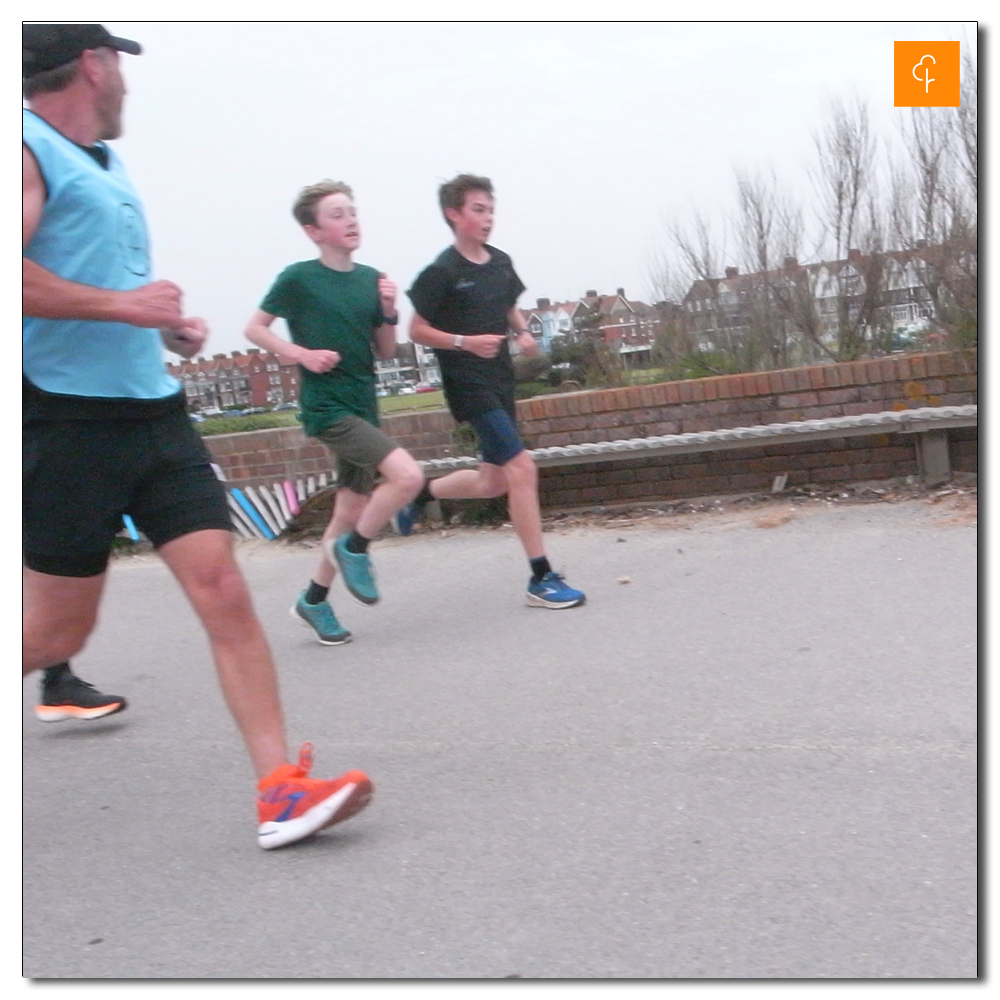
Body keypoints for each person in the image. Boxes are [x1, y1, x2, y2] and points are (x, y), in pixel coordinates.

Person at [23, 23, 372, 850]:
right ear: (91, 65)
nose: (128, 87)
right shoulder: (27, 149)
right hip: (68, 419)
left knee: (222, 588)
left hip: (153, 409)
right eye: (119, 67)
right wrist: (122, 308)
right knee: (55, 636)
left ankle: (280, 790)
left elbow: (97, 287)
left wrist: (162, 327)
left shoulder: (103, 164)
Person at [245, 181, 424, 643]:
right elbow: (254, 328)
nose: (351, 221)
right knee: (407, 477)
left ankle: (314, 601)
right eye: (338, 215)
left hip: (364, 404)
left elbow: (385, 351)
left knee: (350, 506)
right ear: (314, 231)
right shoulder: (299, 278)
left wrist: (388, 309)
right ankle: (356, 549)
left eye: (353, 212)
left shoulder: (370, 279)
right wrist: (300, 354)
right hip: (328, 407)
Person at [404, 174, 585, 609]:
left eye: (490, 210)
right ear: (454, 214)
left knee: (492, 482)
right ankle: (540, 579)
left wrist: (522, 332)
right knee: (522, 469)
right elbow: (416, 330)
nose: (488, 219)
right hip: (468, 384)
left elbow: (507, 304)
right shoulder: (440, 272)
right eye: (478, 210)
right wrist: (465, 342)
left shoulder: (501, 262)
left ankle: (420, 494)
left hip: (501, 379)